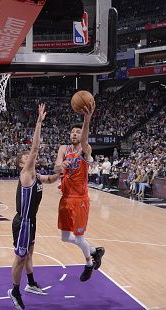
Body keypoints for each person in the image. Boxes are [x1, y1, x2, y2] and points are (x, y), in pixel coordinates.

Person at [7, 104, 59, 310]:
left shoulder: (36, 176)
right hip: (23, 221)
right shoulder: (26, 174)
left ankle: (30, 284)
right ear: (22, 164)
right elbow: (35, 149)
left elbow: (51, 179)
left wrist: (64, 169)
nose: (29, 159)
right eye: (25, 159)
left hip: (32, 221)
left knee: (29, 253)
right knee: (20, 258)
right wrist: (38, 123)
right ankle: (15, 290)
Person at [53, 103, 104, 282]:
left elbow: (85, 139)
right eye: (73, 132)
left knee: (79, 235)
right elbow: (56, 167)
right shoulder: (63, 149)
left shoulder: (85, 150)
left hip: (80, 199)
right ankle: (94, 251)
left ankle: (89, 263)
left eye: (78, 132)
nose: (75, 134)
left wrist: (86, 120)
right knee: (65, 237)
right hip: (65, 198)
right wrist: (61, 166)